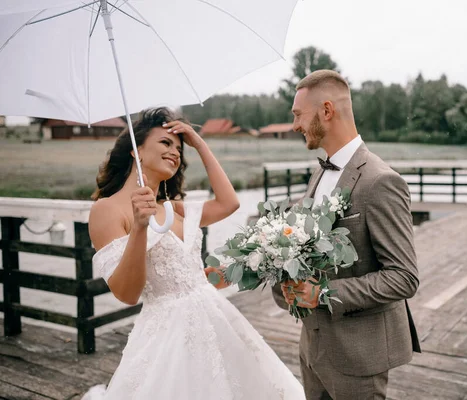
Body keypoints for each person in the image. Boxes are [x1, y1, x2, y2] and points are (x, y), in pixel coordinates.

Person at [82, 107, 305, 400]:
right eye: (165, 142)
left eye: (179, 147)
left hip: (215, 318)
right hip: (167, 337)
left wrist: (199, 143)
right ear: (137, 150)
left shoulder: (174, 208)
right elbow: (127, 293)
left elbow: (228, 203)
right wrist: (138, 227)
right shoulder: (106, 210)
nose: (175, 152)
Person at [272, 70, 421, 400]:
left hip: (358, 357)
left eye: (298, 115)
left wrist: (322, 293)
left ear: (326, 111)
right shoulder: (319, 171)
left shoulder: (381, 182)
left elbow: (403, 277)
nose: (295, 125)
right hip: (312, 348)